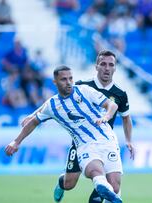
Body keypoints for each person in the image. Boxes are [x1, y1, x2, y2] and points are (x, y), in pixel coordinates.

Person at [22, 50, 134, 203]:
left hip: (105, 142)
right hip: (81, 142)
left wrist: (128, 140)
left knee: (110, 186)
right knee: (70, 183)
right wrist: (33, 114)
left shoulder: (120, 93)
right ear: (97, 66)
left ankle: (99, 194)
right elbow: (53, 102)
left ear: (115, 68)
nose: (107, 68)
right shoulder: (82, 85)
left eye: (110, 65)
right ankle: (62, 182)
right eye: (103, 64)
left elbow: (126, 118)